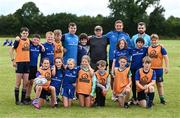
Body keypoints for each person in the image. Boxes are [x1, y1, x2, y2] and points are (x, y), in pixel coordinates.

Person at [9, 27, 30, 105]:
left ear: (28, 34)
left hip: (27, 63)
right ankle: (17, 101)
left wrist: (42, 46)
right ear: (21, 33)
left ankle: (23, 100)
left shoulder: (28, 40)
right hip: (20, 63)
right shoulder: (17, 41)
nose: (25, 34)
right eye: (23, 33)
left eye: (26, 33)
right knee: (18, 83)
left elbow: (36, 43)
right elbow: (11, 50)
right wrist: (13, 60)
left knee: (25, 83)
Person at [148, 34, 169, 104]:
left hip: (159, 69)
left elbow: (166, 57)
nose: (154, 41)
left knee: (159, 84)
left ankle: (162, 98)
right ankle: (150, 99)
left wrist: (167, 67)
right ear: (150, 40)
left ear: (158, 40)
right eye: (152, 40)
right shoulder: (148, 48)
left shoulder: (161, 48)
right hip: (150, 69)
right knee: (150, 84)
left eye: (155, 40)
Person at [25, 34, 45, 104]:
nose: (36, 41)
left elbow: (43, 50)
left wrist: (41, 45)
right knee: (26, 82)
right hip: (28, 66)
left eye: (37, 40)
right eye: (34, 39)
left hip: (34, 67)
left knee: (31, 82)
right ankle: (25, 97)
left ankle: (28, 96)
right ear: (32, 39)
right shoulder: (29, 45)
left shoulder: (39, 47)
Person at [130, 37, 147, 105]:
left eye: (141, 43)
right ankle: (134, 97)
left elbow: (152, 47)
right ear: (136, 43)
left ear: (143, 44)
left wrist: (160, 45)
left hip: (141, 70)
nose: (140, 44)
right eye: (138, 42)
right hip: (133, 69)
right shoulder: (132, 50)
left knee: (141, 83)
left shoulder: (145, 49)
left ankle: (141, 97)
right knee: (134, 83)